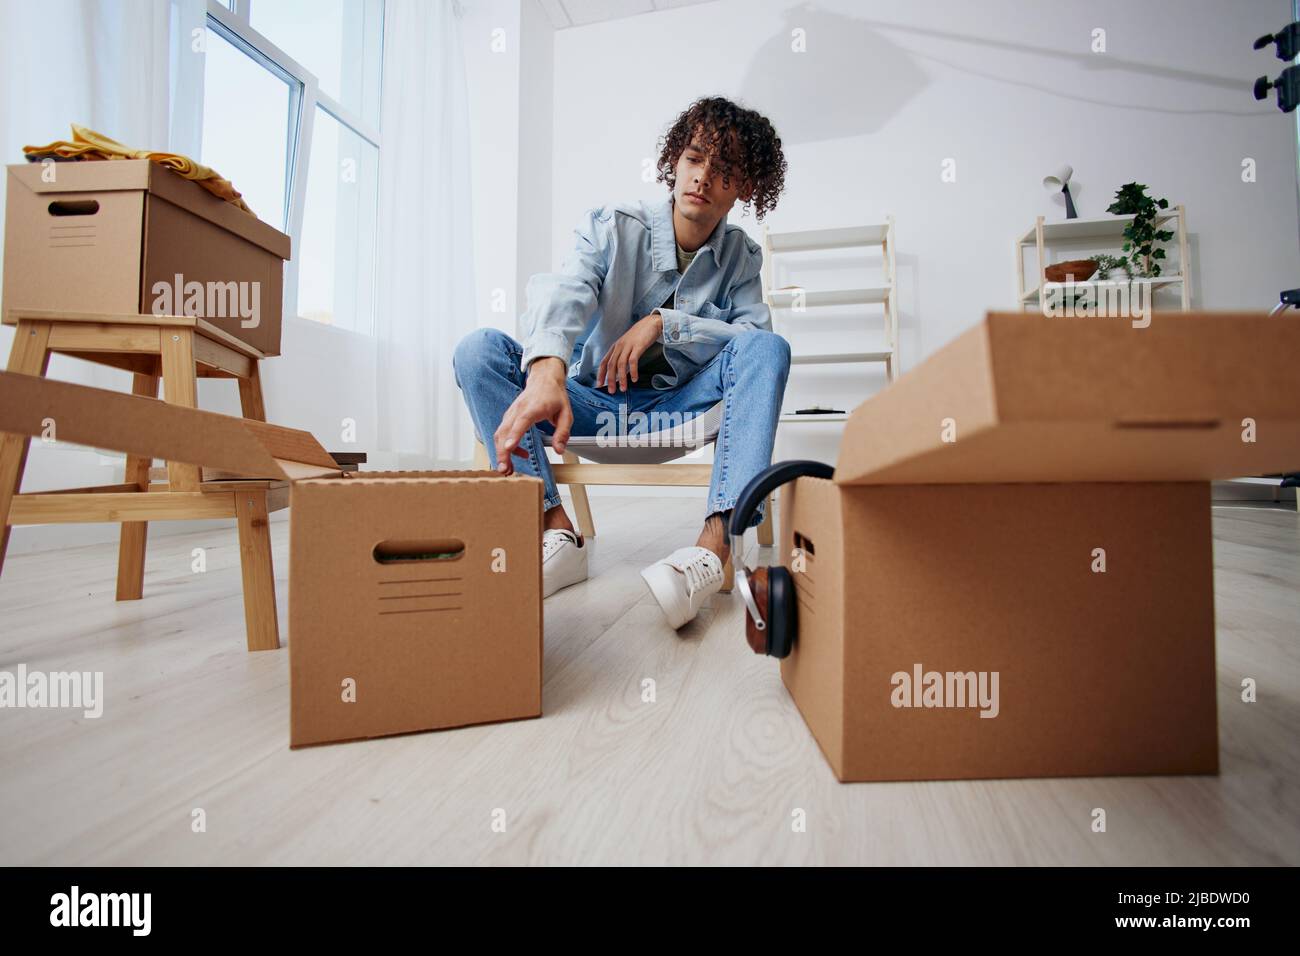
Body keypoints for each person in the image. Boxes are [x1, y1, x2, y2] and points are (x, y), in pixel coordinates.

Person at [453, 95, 790, 629]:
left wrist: (663, 322)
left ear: (744, 188)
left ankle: (711, 549)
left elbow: (754, 338)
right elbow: (565, 289)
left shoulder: (742, 257)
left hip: (681, 411)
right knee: (478, 351)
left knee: (768, 348)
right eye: (695, 158)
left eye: (724, 171)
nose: (702, 177)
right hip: (592, 406)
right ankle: (553, 530)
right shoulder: (612, 226)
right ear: (675, 161)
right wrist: (547, 370)